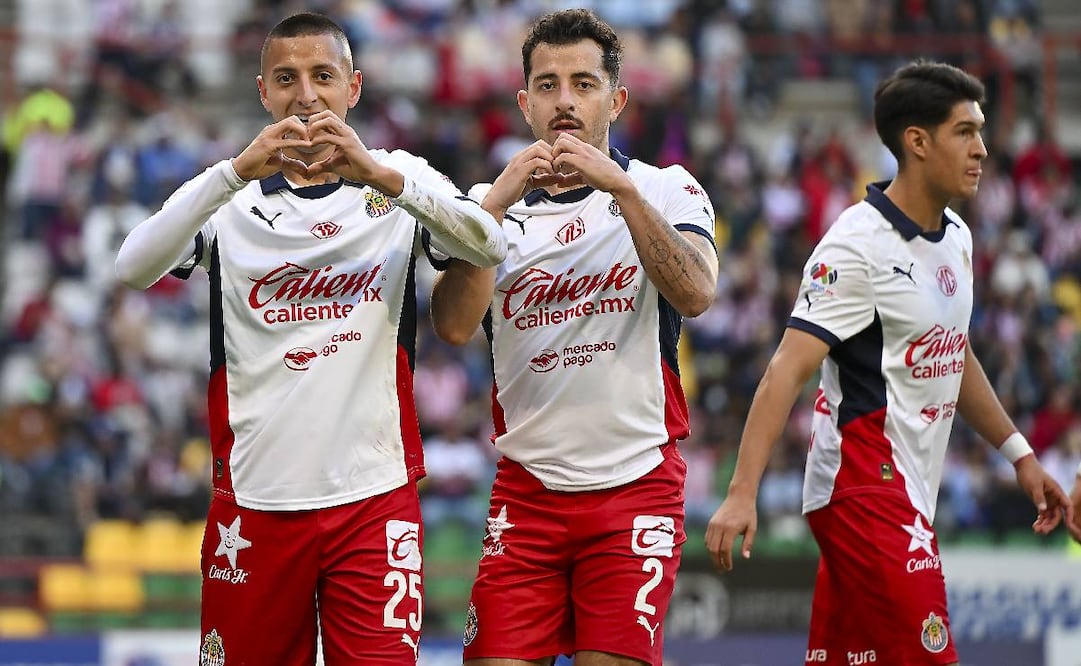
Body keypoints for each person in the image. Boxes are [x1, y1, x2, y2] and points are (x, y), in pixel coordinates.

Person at [114, 13, 506, 665]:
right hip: (255, 506)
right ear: (263, 91)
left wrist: (379, 176)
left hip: (373, 498)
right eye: (287, 79)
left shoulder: (399, 179)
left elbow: (487, 243)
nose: (306, 95)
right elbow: (132, 267)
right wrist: (236, 172)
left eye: (323, 77)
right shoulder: (229, 197)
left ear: (353, 87)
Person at [704, 60, 1081, 666]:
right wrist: (741, 493)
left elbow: (951, 354)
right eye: (965, 132)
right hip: (862, 485)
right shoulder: (855, 245)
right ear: (917, 142)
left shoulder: (956, 236)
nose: (982, 149)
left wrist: (1021, 455)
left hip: (905, 489)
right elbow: (785, 372)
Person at [430, 9, 719, 665]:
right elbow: (449, 326)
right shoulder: (485, 203)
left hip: (635, 486)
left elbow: (697, 293)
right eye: (548, 84)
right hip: (526, 496)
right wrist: (490, 210)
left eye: (583, 84)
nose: (564, 101)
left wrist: (622, 193)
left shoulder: (662, 188)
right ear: (524, 101)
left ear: (614, 99)